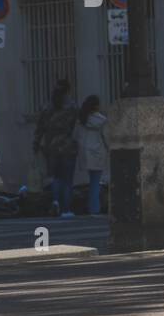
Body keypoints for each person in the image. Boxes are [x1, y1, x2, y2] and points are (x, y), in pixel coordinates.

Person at [33, 81, 79, 217]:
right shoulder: (72, 107)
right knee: (67, 179)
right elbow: (73, 127)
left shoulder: (46, 107)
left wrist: (35, 144)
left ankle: (55, 201)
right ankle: (66, 209)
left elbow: (39, 128)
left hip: (51, 146)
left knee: (55, 177)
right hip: (67, 146)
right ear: (68, 91)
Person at [74, 95, 108, 216]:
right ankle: (94, 208)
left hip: (84, 152)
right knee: (95, 181)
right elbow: (106, 138)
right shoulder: (102, 120)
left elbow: (75, 136)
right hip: (97, 152)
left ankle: (92, 206)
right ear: (96, 106)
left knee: (92, 180)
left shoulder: (81, 120)